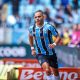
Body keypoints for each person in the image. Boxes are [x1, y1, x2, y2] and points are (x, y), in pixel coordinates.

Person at [29, 10, 60, 80]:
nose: (37, 18)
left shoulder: (49, 27)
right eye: (35, 17)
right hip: (40, 53)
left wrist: (54, 43)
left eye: (39, 16)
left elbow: (58, 36)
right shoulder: (32, 28)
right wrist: (32, 48)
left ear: (43, 17)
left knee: (56, 73)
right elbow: (30, 37)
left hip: (51, 53)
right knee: (47, 70)